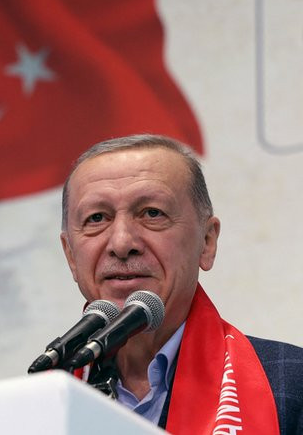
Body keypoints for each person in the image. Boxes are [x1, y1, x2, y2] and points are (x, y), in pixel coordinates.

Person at [59, 134, 303, 433]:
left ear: (207, 242)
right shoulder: (40, 400)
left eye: (152, 213)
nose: (122, 243)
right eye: (97, 218)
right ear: (71, 255)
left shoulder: (291, 383)